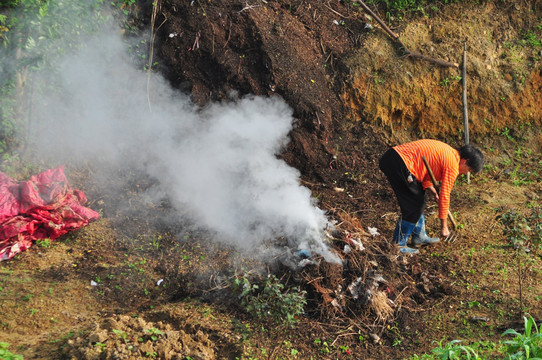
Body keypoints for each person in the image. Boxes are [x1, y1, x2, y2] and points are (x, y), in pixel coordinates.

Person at [379, 139, 484, 254]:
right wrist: (444, 226)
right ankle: (398, 245)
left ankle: (419, 236)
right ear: (464, 161)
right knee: (413, 205)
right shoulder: (453, 164)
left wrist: (433, 191)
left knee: (419, 199)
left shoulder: (449, 153)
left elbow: (424, 170)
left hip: (397, 159)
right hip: (399, 162)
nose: (465, 173)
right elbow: (444, 196)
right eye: (468, 170)